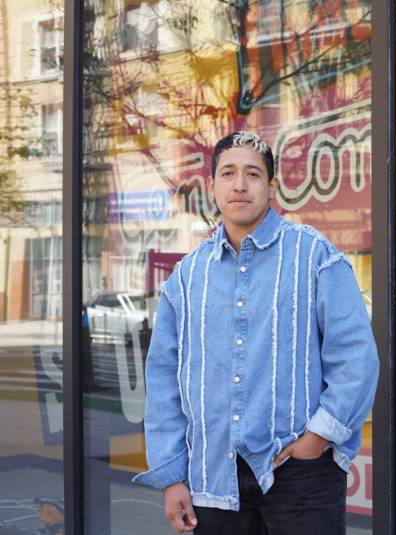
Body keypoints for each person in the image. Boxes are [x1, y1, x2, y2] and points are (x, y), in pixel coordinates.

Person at [132, 131, 379, 534]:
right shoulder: (187, 277)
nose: (240, 184)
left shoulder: (314, 256)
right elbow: (163, 380)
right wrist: (172, 476)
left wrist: (318, 438)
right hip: (212, 478)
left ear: (272, 187)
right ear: (212, 187)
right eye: (228, 173)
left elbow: (356, 357)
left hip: (300, 475)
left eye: (253, 174)